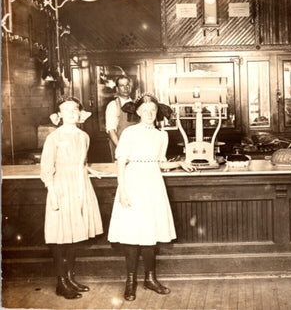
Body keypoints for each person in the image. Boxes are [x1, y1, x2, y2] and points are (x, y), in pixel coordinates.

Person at [107, 93, 196, 301]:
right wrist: (122, 190)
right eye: (145, 110)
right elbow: (121, 162)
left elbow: (159, 162)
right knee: (131, 235)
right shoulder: (129, 133)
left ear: (157, 113)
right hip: (132, 182)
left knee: (149, 233)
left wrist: (179, 163)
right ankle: (130, 281)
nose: (149, 113)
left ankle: (150, 278)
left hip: (153, 184)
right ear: (137, 112)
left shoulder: (161, 135)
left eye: (153, 110)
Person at [40, 97, 104, 299]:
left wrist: (88, 169)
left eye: (75, 109)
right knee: (60, 236)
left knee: (74, 234)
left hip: (80, 186)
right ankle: (61, 282)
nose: (71, 113)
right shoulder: (54, 137)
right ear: (59, 115)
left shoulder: (84, 136)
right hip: (61, 187)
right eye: (66, 110)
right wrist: (52, 191)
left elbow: (80, 162)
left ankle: (69, 277)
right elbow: (47, 167)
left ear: (80, 113)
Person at [105, 75, 136, 162]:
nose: (125, 88)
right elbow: (111, 130)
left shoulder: (137, 105)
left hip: (136, 147)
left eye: (127, 85)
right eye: (122, 86)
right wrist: (121, 149)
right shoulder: (113, 105)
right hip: (120, 147)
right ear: (117, 89)